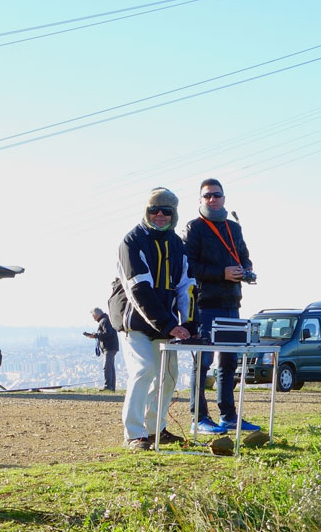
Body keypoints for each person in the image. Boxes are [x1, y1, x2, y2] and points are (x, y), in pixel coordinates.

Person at [109, 188, 198, 450]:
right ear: (146, 211)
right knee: (143, 369)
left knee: (168, 375)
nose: (160, 215)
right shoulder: (131, 241)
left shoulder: (177, 244)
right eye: (153, 210)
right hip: (133, 320)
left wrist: (189, 323)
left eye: (166, 211)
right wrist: (169, 325)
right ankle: (134, 434)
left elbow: (187, 286)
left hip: (164, 323)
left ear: (174, 214)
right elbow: (139, 288)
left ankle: (155, 429)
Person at [182, 179, 259, 434]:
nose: (212, 199)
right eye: (207, 196)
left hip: (231, 303)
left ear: (224, 198)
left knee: (228, 362)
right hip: (205, 305)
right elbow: (188, 267)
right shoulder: (193, 228)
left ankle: (229, 417)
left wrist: (246, 270)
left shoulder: (233, 227)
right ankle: (199, 418)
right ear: (200, 200)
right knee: (202, 363)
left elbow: (244, 256)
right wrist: (221, 273)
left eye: (216, 195)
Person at [83, 307, 119, 391]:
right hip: (111, 346)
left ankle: (108, 386)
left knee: (107, 367)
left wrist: (95, 335)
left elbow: (108, 333)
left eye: (93, 316)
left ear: (96, 314)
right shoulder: (106, 319)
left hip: (109, 347)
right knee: (110, 367)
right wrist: (96, 335)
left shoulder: (104, 320)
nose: (93, 318)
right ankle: (111, 387)